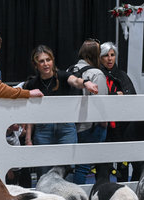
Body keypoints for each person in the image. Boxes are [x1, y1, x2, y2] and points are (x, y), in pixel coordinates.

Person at [23, 45, 98, 179]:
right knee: (43, 173)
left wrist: (86, 83)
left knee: (66, 171)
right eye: (41, 61)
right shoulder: (33, 83)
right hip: (43, 130)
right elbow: (31, 114)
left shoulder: (62, 76)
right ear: (36, 65)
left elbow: (75, 81)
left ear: (53, 61)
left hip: (65, 129)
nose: (46, 64)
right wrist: (28, 138)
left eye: (48, 60)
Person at [71, 39, 109, 184]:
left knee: (73, 166)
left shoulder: (70, 70)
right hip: (90, 126)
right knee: (83, 167)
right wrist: (103, 124)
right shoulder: (96, 74)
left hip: (72, 125)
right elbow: (102, 103)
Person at [100, 41, 137, 182]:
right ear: (100, 58)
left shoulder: (122, 75)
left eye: (112, 55)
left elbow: (132, 97)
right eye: (105, 55)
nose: (109, 59)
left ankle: (125, 191)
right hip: (104, 125)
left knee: (123, 162)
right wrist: (115, 96)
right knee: (104, 162)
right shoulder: (97, 75)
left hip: (122, 125)